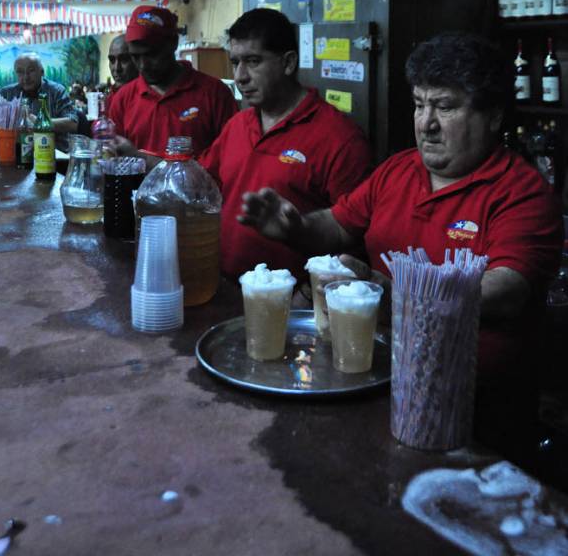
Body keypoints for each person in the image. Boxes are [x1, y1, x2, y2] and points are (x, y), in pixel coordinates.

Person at [238, 32, 563, 390]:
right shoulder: (399, 170)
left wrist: (398, 293)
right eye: (420, 104)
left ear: (494, 116)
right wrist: (295, 226)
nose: (427, 123)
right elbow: (338, 225)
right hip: (381, 376)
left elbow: (503, 292)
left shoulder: (523, 192)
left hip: (472, 398)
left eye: (446, 106)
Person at [199, 8, 373, 281]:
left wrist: (307, 295)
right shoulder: (237, 125)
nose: (240, 76)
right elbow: (202, 183)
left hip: (290, 305)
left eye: (253, 61)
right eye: (235, 63)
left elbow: (354, 242)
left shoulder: (341, 139)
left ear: (288, 63)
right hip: (227, 289)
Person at [109, 5, 238, 162]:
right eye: (135, 57)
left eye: (151, 55)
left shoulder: (215, 94)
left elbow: (231, 160)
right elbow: (114, 161)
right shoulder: (123, 99)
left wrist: (141, 159)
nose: (143, 65)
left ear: (173, 43)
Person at [0, 53, 78, 151]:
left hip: (53, 155)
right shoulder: (6, 94)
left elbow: (73, 123)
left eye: (31, 70)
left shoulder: (57, 91)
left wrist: (41, 124)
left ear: (42, 72)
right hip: (15, 155)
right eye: (20, 72)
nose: (25, 77)